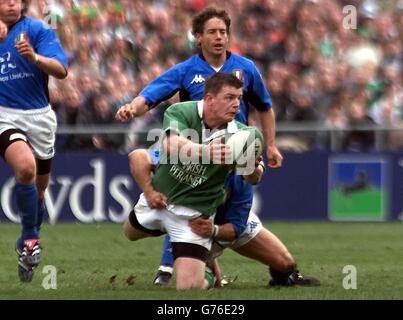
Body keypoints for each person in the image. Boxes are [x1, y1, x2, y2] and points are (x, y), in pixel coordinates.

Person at [115, 6, 283, 284]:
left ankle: (185, 267)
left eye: (223, 32)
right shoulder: (185, 70)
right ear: (198, 37)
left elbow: (265, 107)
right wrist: (132, 109)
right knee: (156, 173)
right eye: (212, 32)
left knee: (206, 210)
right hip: (189, 148)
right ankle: (177, 262)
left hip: (232, 152)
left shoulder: (247, 68)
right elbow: (151, 94)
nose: (219, 37)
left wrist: (271, 147)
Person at [122, 72, 262, 290]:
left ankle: (202, 262)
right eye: (229, 98)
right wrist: (150, 193)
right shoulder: (181, 111)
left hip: (191, 218)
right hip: (159, 201)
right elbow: (171, 144)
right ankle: (203, 256)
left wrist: (251, 165)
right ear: (209, 99)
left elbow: (252, 178)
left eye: (239, 98)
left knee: (190, 288)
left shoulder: (242, 135)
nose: (236, 104)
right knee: (129, 233)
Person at [130, 148, 320, 288]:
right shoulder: (190, 155)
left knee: (285, 263)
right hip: (193, 225)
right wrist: (149, 192)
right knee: (201, 282)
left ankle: (281, 279)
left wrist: (212, 230)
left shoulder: (240, 180)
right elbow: (139, 156)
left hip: (223, 224)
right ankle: (195, 268)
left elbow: (235, 228)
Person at [0, 0, 68, 282]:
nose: (12, 3)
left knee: (39, 190)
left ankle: (29, 241)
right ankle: (30, 239)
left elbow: (62, 70)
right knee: (25, 168)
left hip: (39, 117)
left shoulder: (38, 30)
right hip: (4, 115)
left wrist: (35, 58)